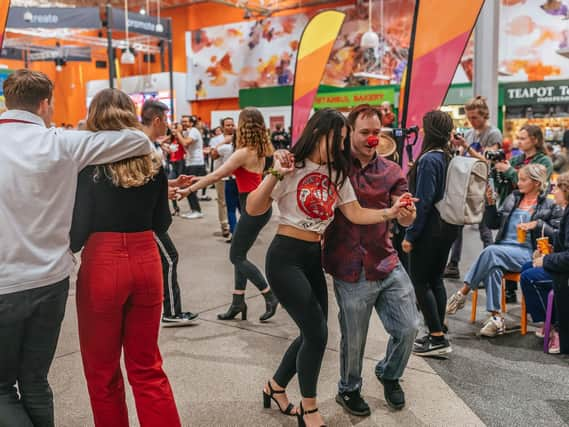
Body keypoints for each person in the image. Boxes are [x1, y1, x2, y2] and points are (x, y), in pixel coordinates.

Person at [0, 70, 153, 427]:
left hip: (4, 284)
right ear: (44, 104)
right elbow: (139, 141)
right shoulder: (62, 143)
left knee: (2, 387)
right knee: (36, 381)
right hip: (50, 281)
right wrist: (85, 127)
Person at [246, 108, 413, 427]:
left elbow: (356, 213)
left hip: (312, 258)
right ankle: (309, 408)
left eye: (342, 141)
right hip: (285, 257)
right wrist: (275, 174)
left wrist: (390, 212)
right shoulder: (290, 165)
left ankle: (276, 387)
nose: (339, 147)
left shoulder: (338, 174)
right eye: (334, 139)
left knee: (313, 333)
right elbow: (254, 207)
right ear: (317, 132)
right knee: (317, 333)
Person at [70, 89, 180, 426]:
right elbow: (162, 222)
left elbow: (76, 235)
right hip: (147, 259)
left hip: (103, 264)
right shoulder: (153, 162)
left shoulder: (88, 166)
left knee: (102, 372)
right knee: (147, 367)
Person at [322, 105, 419, 415]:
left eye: (377, 133)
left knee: (408, 328)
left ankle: (389, 373)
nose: (371, 138)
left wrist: (407, 215)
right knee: (353, 338)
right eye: (365, 132)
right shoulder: (333, 167)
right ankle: (348, 389)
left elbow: (403, 214)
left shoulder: (392, 171)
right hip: (348, 267)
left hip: (386, 261)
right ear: (349, 131)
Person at [178, 107, 279, 321]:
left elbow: (217, 175)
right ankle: (237, 302)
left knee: (236, 256)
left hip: (251, 207)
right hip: (260, 207)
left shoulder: (243, 153)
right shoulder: (265, 149)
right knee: (240, 253)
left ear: (244, 126)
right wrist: (196, 181)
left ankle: (269, 295)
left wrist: (189, 189)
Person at [446, 164, 562, 337]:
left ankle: (463, 293)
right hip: (503, 250)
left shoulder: (549, 205)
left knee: (491, 252)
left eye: (523, 179)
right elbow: (493, 223)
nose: (518, 182)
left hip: (528, 252)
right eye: (519, 178)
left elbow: (558, 235)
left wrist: (537, 224)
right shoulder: (513, 197)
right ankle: (496, 318)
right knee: (493, 266)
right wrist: (491, 204)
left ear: (537, 183)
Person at [402, 111, 460, 357]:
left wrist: (410, 235)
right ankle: (439, 330)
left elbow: (423, 202)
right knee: (436, 279)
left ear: (428, 130)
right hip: (448, 226)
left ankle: (436, 338)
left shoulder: (428, 160)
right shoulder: (449, 157)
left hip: (430, 229)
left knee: (420, 281)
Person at [140, 100, 199, 326]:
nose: (169, 125)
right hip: (148, 219)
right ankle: (172, 312)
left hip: (152, 216)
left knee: (165, 259)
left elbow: (148, 181)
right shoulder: (142, 145)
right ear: (157, 120)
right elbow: (141, 184)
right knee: (170, 258)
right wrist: (167, 191)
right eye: (166, 120)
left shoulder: (148, 144)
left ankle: (169, 310)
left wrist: (171, 184)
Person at [492, 125, 554, 302]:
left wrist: (510, 171)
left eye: (523, 138)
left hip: (534, 207)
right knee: (505, 238)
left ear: (534, 139)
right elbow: (507, 183)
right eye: (517, 138)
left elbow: (538, 182)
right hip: (511, 204)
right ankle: (508, 291)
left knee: (526, 242)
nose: (518, 141)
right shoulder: (517, 158)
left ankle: (465, 291)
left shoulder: (544, 161)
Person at [444, 96, 503, 279]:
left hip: (485, 185)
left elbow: (488, 160)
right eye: (469, 117)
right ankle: (453, 264)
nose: (472, 121)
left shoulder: (493, 133)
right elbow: (463, 157)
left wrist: (466, 147)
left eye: (475, 117)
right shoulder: (469, 133)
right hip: (467, 185)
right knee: (457, 225)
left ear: (484, 115)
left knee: (484, 229)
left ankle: (491, 266)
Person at [519, 171, 569, 353]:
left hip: (566, 273)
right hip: (562, 265)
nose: (553, 192)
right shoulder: (566, 211)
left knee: (529, 277)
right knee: (526, 267)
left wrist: (546, 260)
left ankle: (554, 326)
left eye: (556, 188)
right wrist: (547, 251)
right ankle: (549, 320)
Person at [209, 118, 235, 239]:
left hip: (236, 175)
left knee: (237, 202)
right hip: (220, 173)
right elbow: (213, 156)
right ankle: (225, 225)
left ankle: (236, 226)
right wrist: (224, 143)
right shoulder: (216, 140)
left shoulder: (239, 138)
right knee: (222, 200)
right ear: (222, 127)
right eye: (227, 125)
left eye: (231, 124)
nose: (230, 127)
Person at [178, 115, 205, 219]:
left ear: (191, 123)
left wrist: (178, 133)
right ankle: (194, 209)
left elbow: (185, 142)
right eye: (182, 121)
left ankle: (197, 211)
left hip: (196, 163)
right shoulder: (188, 132)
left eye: (185, 121)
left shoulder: (194, 131)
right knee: (187, 187)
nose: (183, 123)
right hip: (190, 162)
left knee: (190, 188)